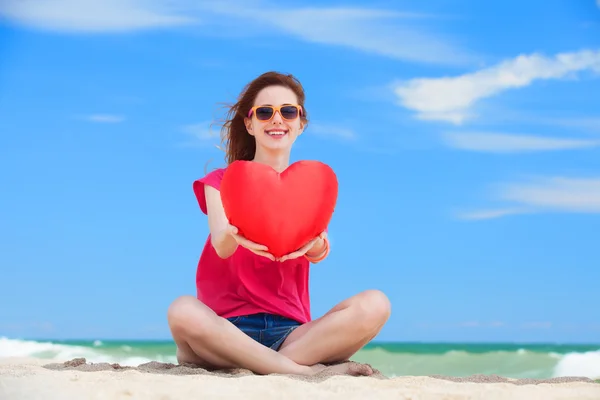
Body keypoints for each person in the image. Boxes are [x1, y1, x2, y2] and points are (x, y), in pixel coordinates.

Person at [167, 71, 391, 376]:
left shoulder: (311, 184)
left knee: (376, 304)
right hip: (226, 331)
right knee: (182, 310)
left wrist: (316, 245)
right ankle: (302, 373)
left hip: (291, 335)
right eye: (264, 112)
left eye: (288, 111)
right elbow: (220, 243)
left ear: (301, 124)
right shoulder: (221, 181)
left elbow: (317, 248)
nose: (277, 120)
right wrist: (236, 235)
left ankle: (269, 365)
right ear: (250, 123)